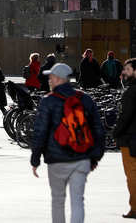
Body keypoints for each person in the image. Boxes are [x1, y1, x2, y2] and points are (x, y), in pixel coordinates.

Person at [31, 63, 105, 223]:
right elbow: (98, 129)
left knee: (58, 200)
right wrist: (95, 157)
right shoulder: (84, 98)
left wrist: (35, 159)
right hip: (82, 158)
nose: (49, 80)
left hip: (57, 159)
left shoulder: (48, 101)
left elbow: (40, 132)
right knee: (78, 201)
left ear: (58, 79)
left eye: (51, 77)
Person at [116, 58, 136, 219]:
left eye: (128, 70)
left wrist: (116, 132)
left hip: (130, 140)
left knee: (132, 175)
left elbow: (125, 116)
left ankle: (135, 208)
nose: (124, 72)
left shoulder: (131, 92)